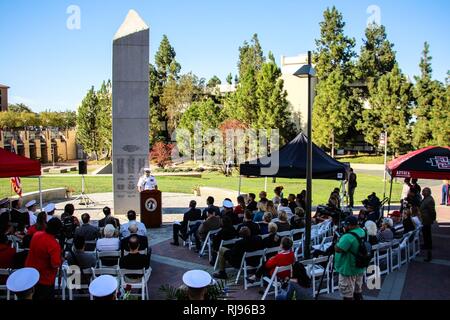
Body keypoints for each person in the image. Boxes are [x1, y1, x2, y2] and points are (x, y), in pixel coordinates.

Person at [25, 218, 63, 300]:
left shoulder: (36, 235)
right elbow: (55, 264)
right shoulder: (53, 244)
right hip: (45, 279)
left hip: (31, 276)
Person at [334, 216, 366, 300]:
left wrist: (338, 239)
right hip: (359, 267)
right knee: (357, 291)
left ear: (350, 225)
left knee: (347, 295)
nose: (344, 227)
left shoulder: (348, 237)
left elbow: (338, 249)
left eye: (345, 225)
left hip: (348, 269)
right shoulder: (362, 231)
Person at [420, 187, 436, 262]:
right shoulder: (426, 198)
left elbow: (432, 211)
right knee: (425, 233)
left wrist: (432, 219)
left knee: (427, 234)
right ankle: (426, 245)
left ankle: (429, 251)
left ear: (427, 192)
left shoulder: (429, 200)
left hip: (427, 220)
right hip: (424, 219)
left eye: (423, 192)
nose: (422, 193)